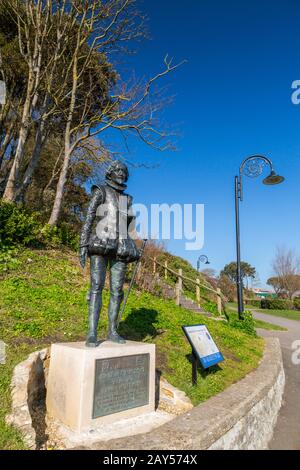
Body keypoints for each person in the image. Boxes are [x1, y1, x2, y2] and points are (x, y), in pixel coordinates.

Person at [79, 160, 140, 347]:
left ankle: (113, 330)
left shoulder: (127, 199)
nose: (121, 173)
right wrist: (83, 243)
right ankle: (92, 332)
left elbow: (130, 227)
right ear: (111, 173)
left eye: (124, 171)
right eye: (118, 170)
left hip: (120, 248)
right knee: (96, 287)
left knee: (117, 291)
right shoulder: (101, 191)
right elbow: (89, 216)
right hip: (99, 244)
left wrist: (135, 245)